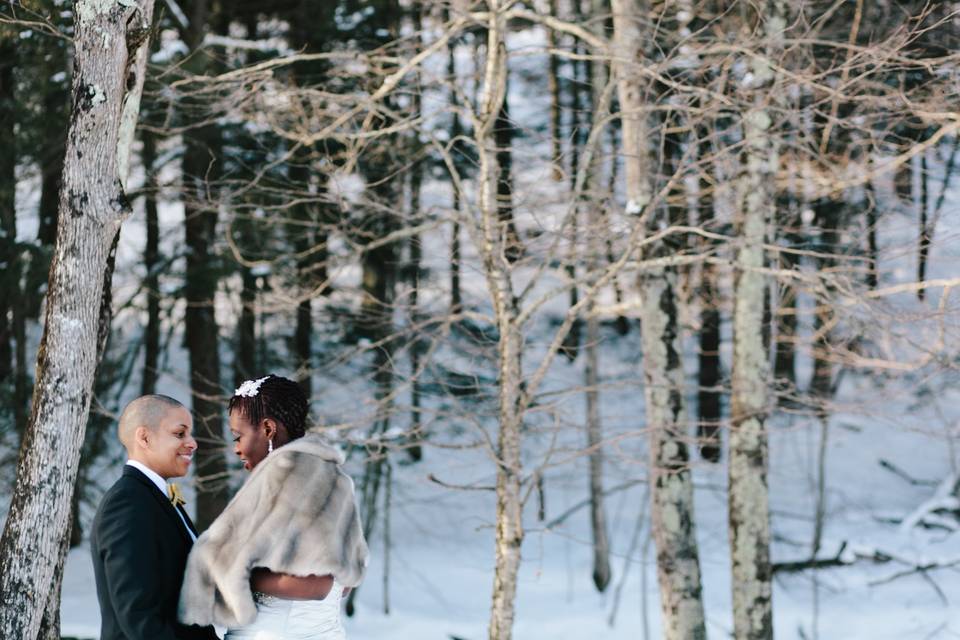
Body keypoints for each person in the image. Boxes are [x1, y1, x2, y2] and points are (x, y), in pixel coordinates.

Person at [179, 375, 368, 640]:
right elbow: (344, 584)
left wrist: (227, 571)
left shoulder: (295, 482)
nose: (236, 449)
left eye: (238, 436)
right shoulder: (329, 478)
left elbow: (318, 584)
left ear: (268, 429)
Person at [90, 394, 218, 640]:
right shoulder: (127, 503)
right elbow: (138, 616)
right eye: (180, 434)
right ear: (145, 437)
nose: (193, 443)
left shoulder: (156, 498)